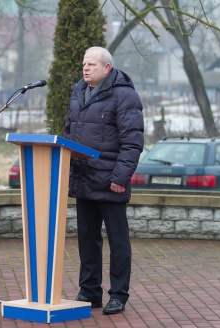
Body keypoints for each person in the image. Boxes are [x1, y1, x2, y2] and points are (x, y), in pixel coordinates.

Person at [64, 46, 144, 314]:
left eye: (92, 65)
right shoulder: (78, 93)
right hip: (84, 180)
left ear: (107, 68)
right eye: (84, 64)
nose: (85, 68)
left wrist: (121, 177)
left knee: (118, 242)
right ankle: (89, 292)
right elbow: (69, 133)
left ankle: (118, 294)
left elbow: (133, 142)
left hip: (111, 182)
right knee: (87, 241)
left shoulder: (125, 96)